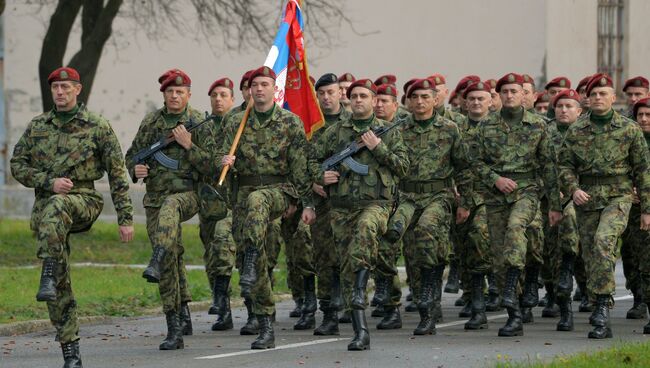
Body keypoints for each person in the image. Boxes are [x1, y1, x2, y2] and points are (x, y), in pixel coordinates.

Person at [10, 67, 135, 367]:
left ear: (78, 90)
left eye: (66, 87)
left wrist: (125, 217)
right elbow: (17, 165)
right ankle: (71, 350)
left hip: (84, 200)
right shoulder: (38, 126)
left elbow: (118, 174)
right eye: (55, 88)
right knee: (58, 283)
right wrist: (47, 180)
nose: (60, 92)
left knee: (57, 208)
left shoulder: (97, 126)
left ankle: (48, 271)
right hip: (48, 208)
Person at [220, 66, 316, 349]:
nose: (258, 89)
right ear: (248, 90)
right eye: (254, 85)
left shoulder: (289, 122)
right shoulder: (235, 123)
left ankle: (250, 258)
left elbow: (300, 168)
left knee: (258, 200)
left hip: (278, 191)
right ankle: (265, 325)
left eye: (264, 84)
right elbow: (217, 157)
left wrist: (305, 203)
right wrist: (222, 162)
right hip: (244, 196)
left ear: (274, 89)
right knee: (256, 262)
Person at [310, 78, 409, 350]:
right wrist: (321, 175)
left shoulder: (388, 132)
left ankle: (359, 296)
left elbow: (403, 167)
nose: (358, 100)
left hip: (376, 204)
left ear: (374, 100)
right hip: (341, 208)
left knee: (365, 233)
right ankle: (359, 330)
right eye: (353, 96)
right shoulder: (336, 132)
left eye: (364, 96)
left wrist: (378, 147)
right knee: (347, 266)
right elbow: (310, 159)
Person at [125, 68, 215, 350]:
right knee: (171, 257)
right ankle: (176, 317)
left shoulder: (199, 121)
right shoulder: (152, 122)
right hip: (154, 199)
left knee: (170, 210)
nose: (175, 96)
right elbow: (132, 155)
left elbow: (214, 166)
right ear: (163, 94)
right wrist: (135, 169)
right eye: (170, 92)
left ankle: (157, 260)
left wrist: (189, 146)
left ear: (189, 94)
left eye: (180, 92)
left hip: (187, 195)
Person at [558, 73, 650, 339]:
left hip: (618, 196)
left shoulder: (628, 128)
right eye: (593, 94)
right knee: (591, 254)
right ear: (587, 99)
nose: (598, 98)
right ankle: (600, 303)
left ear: (613, 97)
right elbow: (564, 165)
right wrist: (573, 189)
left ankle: (601, 307)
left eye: (603, 94)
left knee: (602, 241)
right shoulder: (577, 129)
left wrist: (646, 209)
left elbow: (642, 170)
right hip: (587, 198)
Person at [474, 72, 562, 337]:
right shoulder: (486, 126)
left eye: (515, 91)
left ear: (523, 95)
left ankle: (514, 285)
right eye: (505, 92)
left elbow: (548, 166)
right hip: (496, 195)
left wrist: (555, 205)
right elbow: (475, 163)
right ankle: (514, 314)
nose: (510, 96)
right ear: (498, 96)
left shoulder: (538, 125)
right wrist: (496, 179)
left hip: (527, 191)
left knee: (516, 229)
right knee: (500, 255)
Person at [201, 77, 237, 331]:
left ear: (232, 99)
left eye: (223, 95)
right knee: (211, 254)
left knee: (224, 244)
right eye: (214, 95)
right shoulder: (201, 128)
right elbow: (194, 159)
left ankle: (224, 298)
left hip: (234, 199)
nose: (218, 99)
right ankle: (223, 311)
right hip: (208, 201)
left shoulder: (239, 125)